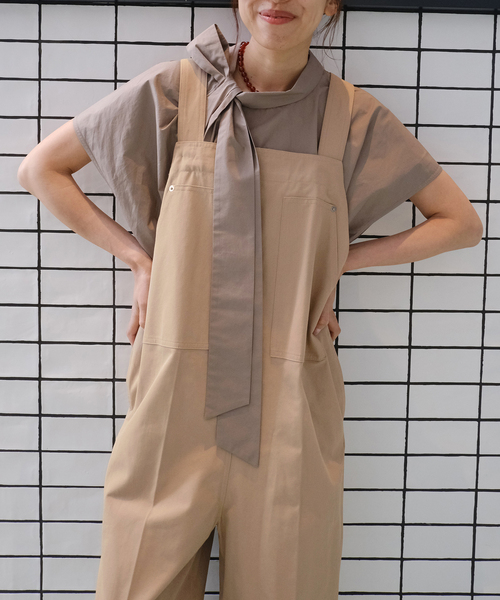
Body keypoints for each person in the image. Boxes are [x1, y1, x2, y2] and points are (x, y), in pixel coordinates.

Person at [17, 0, 483, 598]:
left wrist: (335, 261)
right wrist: (139, 260)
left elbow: (460, 223)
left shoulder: (350, 118)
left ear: (330, 5)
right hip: (172, 402)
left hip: (289, 412)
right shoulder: (176, 92)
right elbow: (42, 170)